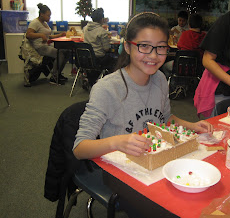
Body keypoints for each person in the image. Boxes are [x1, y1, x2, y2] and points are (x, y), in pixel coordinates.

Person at [73, 12, 213, 160]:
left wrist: (192, 126)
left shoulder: (160, 79)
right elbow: (80, 148)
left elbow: (164, 118)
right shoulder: (107, 89)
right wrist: (115, 143)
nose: (153, 56)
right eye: (144, 46)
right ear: (127, 46)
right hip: (119, 168)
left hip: (152, 159)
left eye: (161, 47)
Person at [26, 3, 70, 85]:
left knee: (66, 51)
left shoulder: (44, 23)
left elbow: (48, 37)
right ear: (42, 14)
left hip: (47, 45)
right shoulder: (35, 22)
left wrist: (60, 35)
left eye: (50, 16)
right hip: (40, 47)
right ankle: (54, 77)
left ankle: (58, 74)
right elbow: (28, 35)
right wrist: (41, 35)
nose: (49, 17)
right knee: (59, 53)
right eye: (48, 15)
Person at [161, 13, 206, 80]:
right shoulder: (205, 36)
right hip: (198, 68)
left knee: (165, 67)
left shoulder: (185, 34)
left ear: (189, 24)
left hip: (181, 67)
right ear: (201, 24)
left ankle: (172, 85)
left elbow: (179, 46)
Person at [83, 8, 116, 86]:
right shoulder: (102, 31)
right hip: (99, 59)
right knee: (115, 61)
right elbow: (106, 48)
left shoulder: (85, 28)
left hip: (86, 58)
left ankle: (91, 79)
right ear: (101, 19)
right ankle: (108, 82)